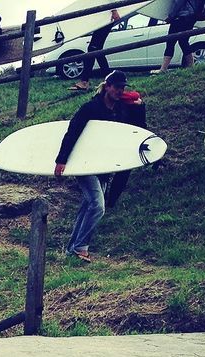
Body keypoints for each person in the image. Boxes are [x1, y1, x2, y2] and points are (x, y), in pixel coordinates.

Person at [55, 70, 134, 261]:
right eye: (116, 87)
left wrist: (140, 106)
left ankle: (71, 250)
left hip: (103, 166)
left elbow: (132, 132)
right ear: (107, 86)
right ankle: (81, 247)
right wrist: (61, 160)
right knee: (98, 206)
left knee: (87, 206)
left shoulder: (121, 110)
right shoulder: (90, 108)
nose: (120, 91)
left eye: (122, 87)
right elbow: (72, 132)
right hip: (83, 163)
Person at [70, 8, 120, 92]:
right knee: (97, 50)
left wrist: (114, 10)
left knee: (94, 49)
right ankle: (109, 80)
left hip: (106, 18)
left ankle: (85, 81)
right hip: (103, 18)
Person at [152, 0, 201, 73]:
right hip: (191, 18)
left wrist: (171, 16)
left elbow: (179, 3)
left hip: (181, 17)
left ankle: (163, 69)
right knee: (183, 42)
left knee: (170, 42)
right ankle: (191, 66)